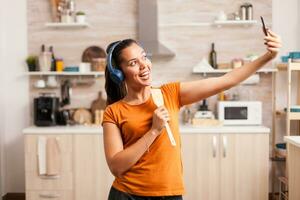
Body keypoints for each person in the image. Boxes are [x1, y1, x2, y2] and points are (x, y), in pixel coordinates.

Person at [102, 29, 281, 200]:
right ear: (119, 73)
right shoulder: (113, 112)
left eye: (144, 57)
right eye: (133, 63)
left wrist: (268, 57)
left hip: (170, 194)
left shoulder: (170, 93)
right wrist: (154, 131)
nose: (144, 66)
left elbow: (227, 81)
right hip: (127, 195)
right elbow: (116, 166)